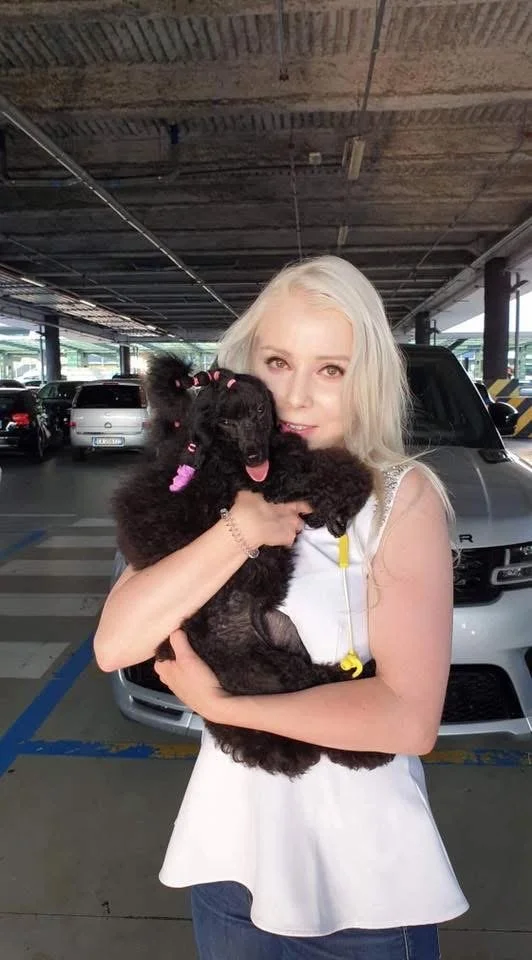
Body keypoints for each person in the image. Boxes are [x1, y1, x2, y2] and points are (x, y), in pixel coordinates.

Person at [94, 256, 468, 959]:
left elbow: (407, 719)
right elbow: (117, 643)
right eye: (277, 362)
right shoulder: (206, 485)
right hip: (231, 862)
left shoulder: (398, 498)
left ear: (367, 379)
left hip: (364, 881)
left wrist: (223, 706)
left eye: (331, 370)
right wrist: (236, 531)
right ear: (243, 368)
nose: (295, 398)